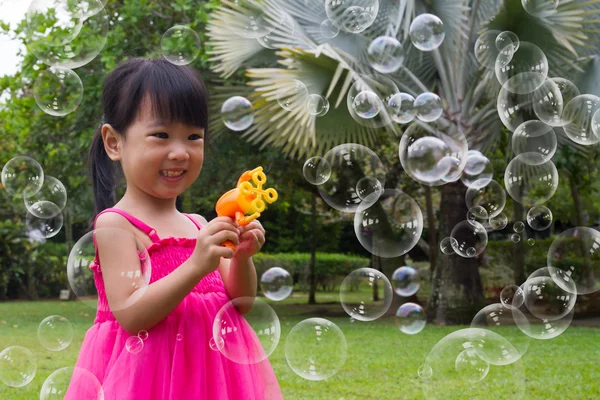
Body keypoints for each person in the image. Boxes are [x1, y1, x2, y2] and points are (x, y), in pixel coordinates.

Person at [66, 58, 282, 400]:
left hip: (214, 377)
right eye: (161, 135)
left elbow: (239, 304)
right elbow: (132, 316)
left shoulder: (199, 225)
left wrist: (242, 257)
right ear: (114, 143)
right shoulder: (116, 225)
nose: (180, 152)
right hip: (145, 378)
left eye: (193, 136)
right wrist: (196, 265)